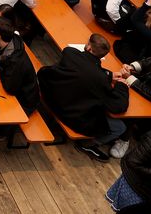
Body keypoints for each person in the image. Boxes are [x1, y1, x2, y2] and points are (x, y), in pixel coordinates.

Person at [37, 33, 130, 161]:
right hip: (70, 115)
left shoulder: (70, 53)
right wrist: (122, 86)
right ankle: (88, 145)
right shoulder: (101, 80)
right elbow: (119, 107)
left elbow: (86, 68)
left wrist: (108, 75)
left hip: (51, 96)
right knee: (120, 127)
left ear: (89, 48)